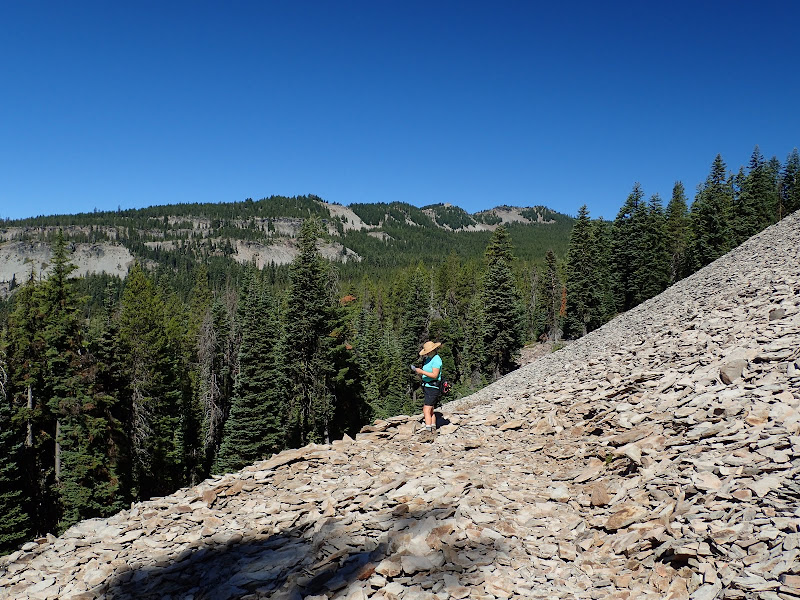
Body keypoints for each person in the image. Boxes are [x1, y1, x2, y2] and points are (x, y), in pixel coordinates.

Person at [411, 341, 442, 434]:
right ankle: (433, 426)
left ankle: (428, 430)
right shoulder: (429, 358)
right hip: (428, 386)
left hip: (433, 387)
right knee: (431, 409)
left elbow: (435, 375)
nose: (427, 354)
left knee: (426, 409)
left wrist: (422, 372)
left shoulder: (436, 360)